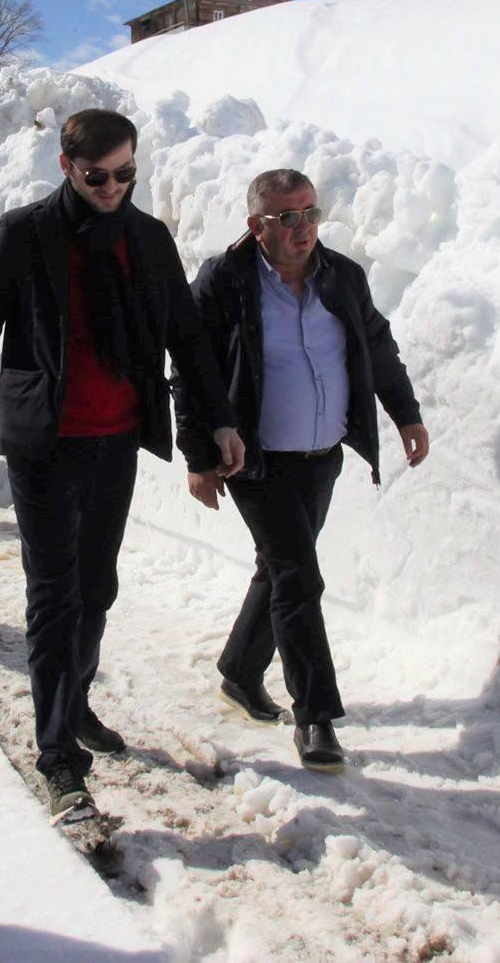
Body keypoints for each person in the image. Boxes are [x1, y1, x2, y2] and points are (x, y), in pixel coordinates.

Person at [0, 108, 244, 821]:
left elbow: (186, 336)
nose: (112, 186)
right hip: (44, 442)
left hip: (115, 439)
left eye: (125, 173)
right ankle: (58, 756)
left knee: (96, 588)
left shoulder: (148, 238)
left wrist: (218, 421)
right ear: (66, 167)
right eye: (97, 175)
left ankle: (74, 702)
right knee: (55, 596)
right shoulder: (27, 231)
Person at [178, 168, 429, 773]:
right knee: (298, 577)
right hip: (254, 460)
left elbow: (376, 345)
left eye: (311, 212)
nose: (303, 227)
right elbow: (190, 368)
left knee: (280, 569)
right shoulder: (225, 280)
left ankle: (240, 671)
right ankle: (314, 714)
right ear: (256, 225)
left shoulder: (342, 275)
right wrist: (199, 455)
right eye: (287, 217)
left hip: (322, 458)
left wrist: (406, 414)